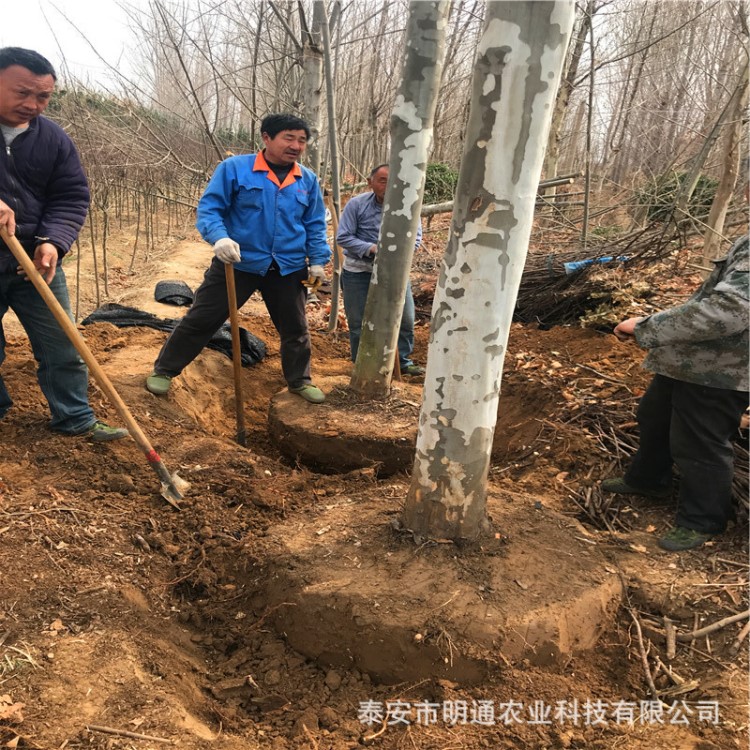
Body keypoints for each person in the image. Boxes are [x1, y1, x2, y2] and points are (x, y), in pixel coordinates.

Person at [146, 113, 331, 404]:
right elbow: (210, 209)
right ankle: (165, 370)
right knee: (202, 319)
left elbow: (314, 223)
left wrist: (318, 261)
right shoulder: (234, 169)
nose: (296, 145)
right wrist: (219, 237)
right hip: (237, 263)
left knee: (295, 329)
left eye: (302, 140)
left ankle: (299, 380)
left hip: (288, 267)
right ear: (267, 138)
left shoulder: (306, 180)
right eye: (289, 138)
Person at [0, 47, 127, 442]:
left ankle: (75, 418)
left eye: (43, 97)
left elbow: (71, 195)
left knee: (63, 344)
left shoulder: (52, 138)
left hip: (34, 260)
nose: (33, 105)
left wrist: (54, 241)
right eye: (22, 93)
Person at [601, 232, 749, 551]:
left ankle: (703, 519)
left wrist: (646, 327)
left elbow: (727, 312)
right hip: (691, 358)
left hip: (724, 370)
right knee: (654, 416)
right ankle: (648, 480)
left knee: (700, 443)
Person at [336, 164, 424, 376]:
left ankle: (402, 361)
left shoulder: (409, 205)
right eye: (383, 180)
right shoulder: (356, 205)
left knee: (405, 319)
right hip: (358, 272)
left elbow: (416, 239)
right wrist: (372, 249)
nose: (388, 186)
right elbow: (343, 237)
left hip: (395, 273)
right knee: (358, 322)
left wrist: (395, 253)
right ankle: (361, 363)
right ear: (370, 182)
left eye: (393, 181)